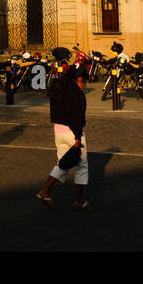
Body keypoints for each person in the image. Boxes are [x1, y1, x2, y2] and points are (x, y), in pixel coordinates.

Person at [36, 63, 90, 209]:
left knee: (63, 164)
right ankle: (78, 201)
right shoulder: (77, 94)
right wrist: (78, 137)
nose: (85, 85)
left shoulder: (59, 88)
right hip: (72, 133)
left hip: (58, 130)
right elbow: (76, 117)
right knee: (82, 166)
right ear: (81, 79)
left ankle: (45, 190)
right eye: (85, 81)